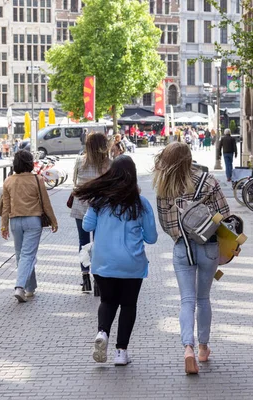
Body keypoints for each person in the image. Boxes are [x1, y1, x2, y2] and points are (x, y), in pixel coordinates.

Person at [154, 142, 232, 374]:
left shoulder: (164, 186)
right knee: (203, 299)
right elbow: (225, 214)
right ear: (189, 158)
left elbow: (166, 223)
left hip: (182, 248)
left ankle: (187, 347)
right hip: (208, 247)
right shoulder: (208, 180)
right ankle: (203, 348)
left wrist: (180, 234)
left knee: (186, 300)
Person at [74, 155, 158, 366]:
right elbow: (152, 237)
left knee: (107, 301)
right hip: (132, 264)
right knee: (128, 305)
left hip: (103, 263)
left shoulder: (100, 201)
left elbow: (87, 226)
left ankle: (102, 332)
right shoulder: (141, 203)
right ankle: (121, 352)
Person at [1, 150, 58, 303]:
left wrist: (3, 226)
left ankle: (30, 288)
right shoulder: (37, 179)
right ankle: (20, 287)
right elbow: (46, 203)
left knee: (22, 255)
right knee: (27, 255)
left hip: (14, 222)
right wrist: (53, 220)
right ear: (30, 163)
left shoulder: (9, 181)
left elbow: (5, 206)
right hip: (33, 221)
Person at [71, 133, 111, 293]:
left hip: (80, 207)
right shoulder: (108, 163)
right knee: (99, 242)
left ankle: (85, 277)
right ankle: (98, 279)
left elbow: (74, 181)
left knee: (83, 241)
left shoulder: (80, 161)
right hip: (101, 208)